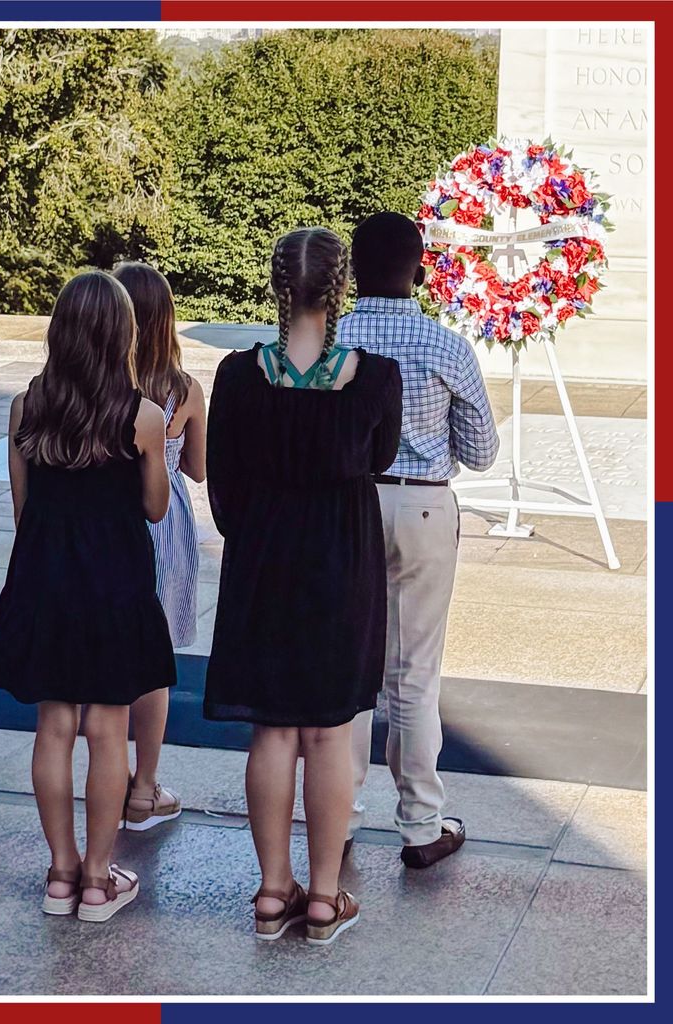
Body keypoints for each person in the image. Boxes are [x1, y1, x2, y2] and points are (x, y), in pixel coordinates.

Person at [205, 227, 403, 945]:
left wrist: (259, 531)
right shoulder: (375, 378)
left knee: (272, 730)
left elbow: (221, 484)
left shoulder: (235, 375)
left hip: (263, 558)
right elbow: (376, 461)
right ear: (341, 288)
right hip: (339, 561)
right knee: (328, 732)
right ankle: (323, 897)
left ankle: (269, 892)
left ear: (275, 286)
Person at [0, 270, 175, 923]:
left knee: (54, 724)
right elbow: (155, 509)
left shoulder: (25, 407)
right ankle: (100, 878)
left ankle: (60, 873)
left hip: (44, 577)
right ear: (123, 334)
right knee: (108, 727)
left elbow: (23, 510)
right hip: (116, 583)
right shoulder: (142, 416)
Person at [338, 211, 500, 869]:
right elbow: (483, 450)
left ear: (353, 271)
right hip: (425, 505)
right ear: (420, 268)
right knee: (413, 675)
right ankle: (420, 823)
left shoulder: (331, 339)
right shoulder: (446, 346)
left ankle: (337, 813)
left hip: (347, 504)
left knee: (346, 670)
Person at [111, 262, 206, 833]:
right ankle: (144, 788)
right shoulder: (183, 389)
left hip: (112, 523)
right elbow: (197, 469)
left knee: (111, 660)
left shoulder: (102, 386)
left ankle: (113, 776)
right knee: (155, 665)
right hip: (166, 527)